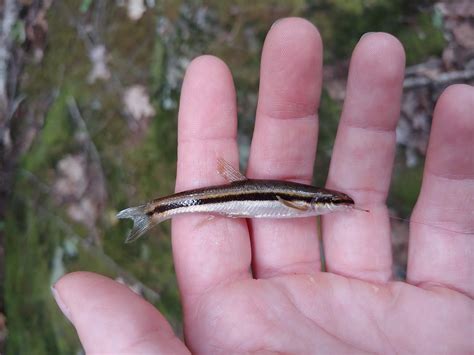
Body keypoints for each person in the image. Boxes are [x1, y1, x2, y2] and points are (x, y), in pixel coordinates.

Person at [51, 18, 473, 353]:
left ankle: (158, 209)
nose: (331, 205)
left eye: (332, 204)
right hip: (235, 196)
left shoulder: (304, 204)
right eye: (330, 203)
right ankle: (157, 209)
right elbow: (289, 202)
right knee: (194, 201)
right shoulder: (303, 202)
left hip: (239, 196)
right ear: (318, 202)